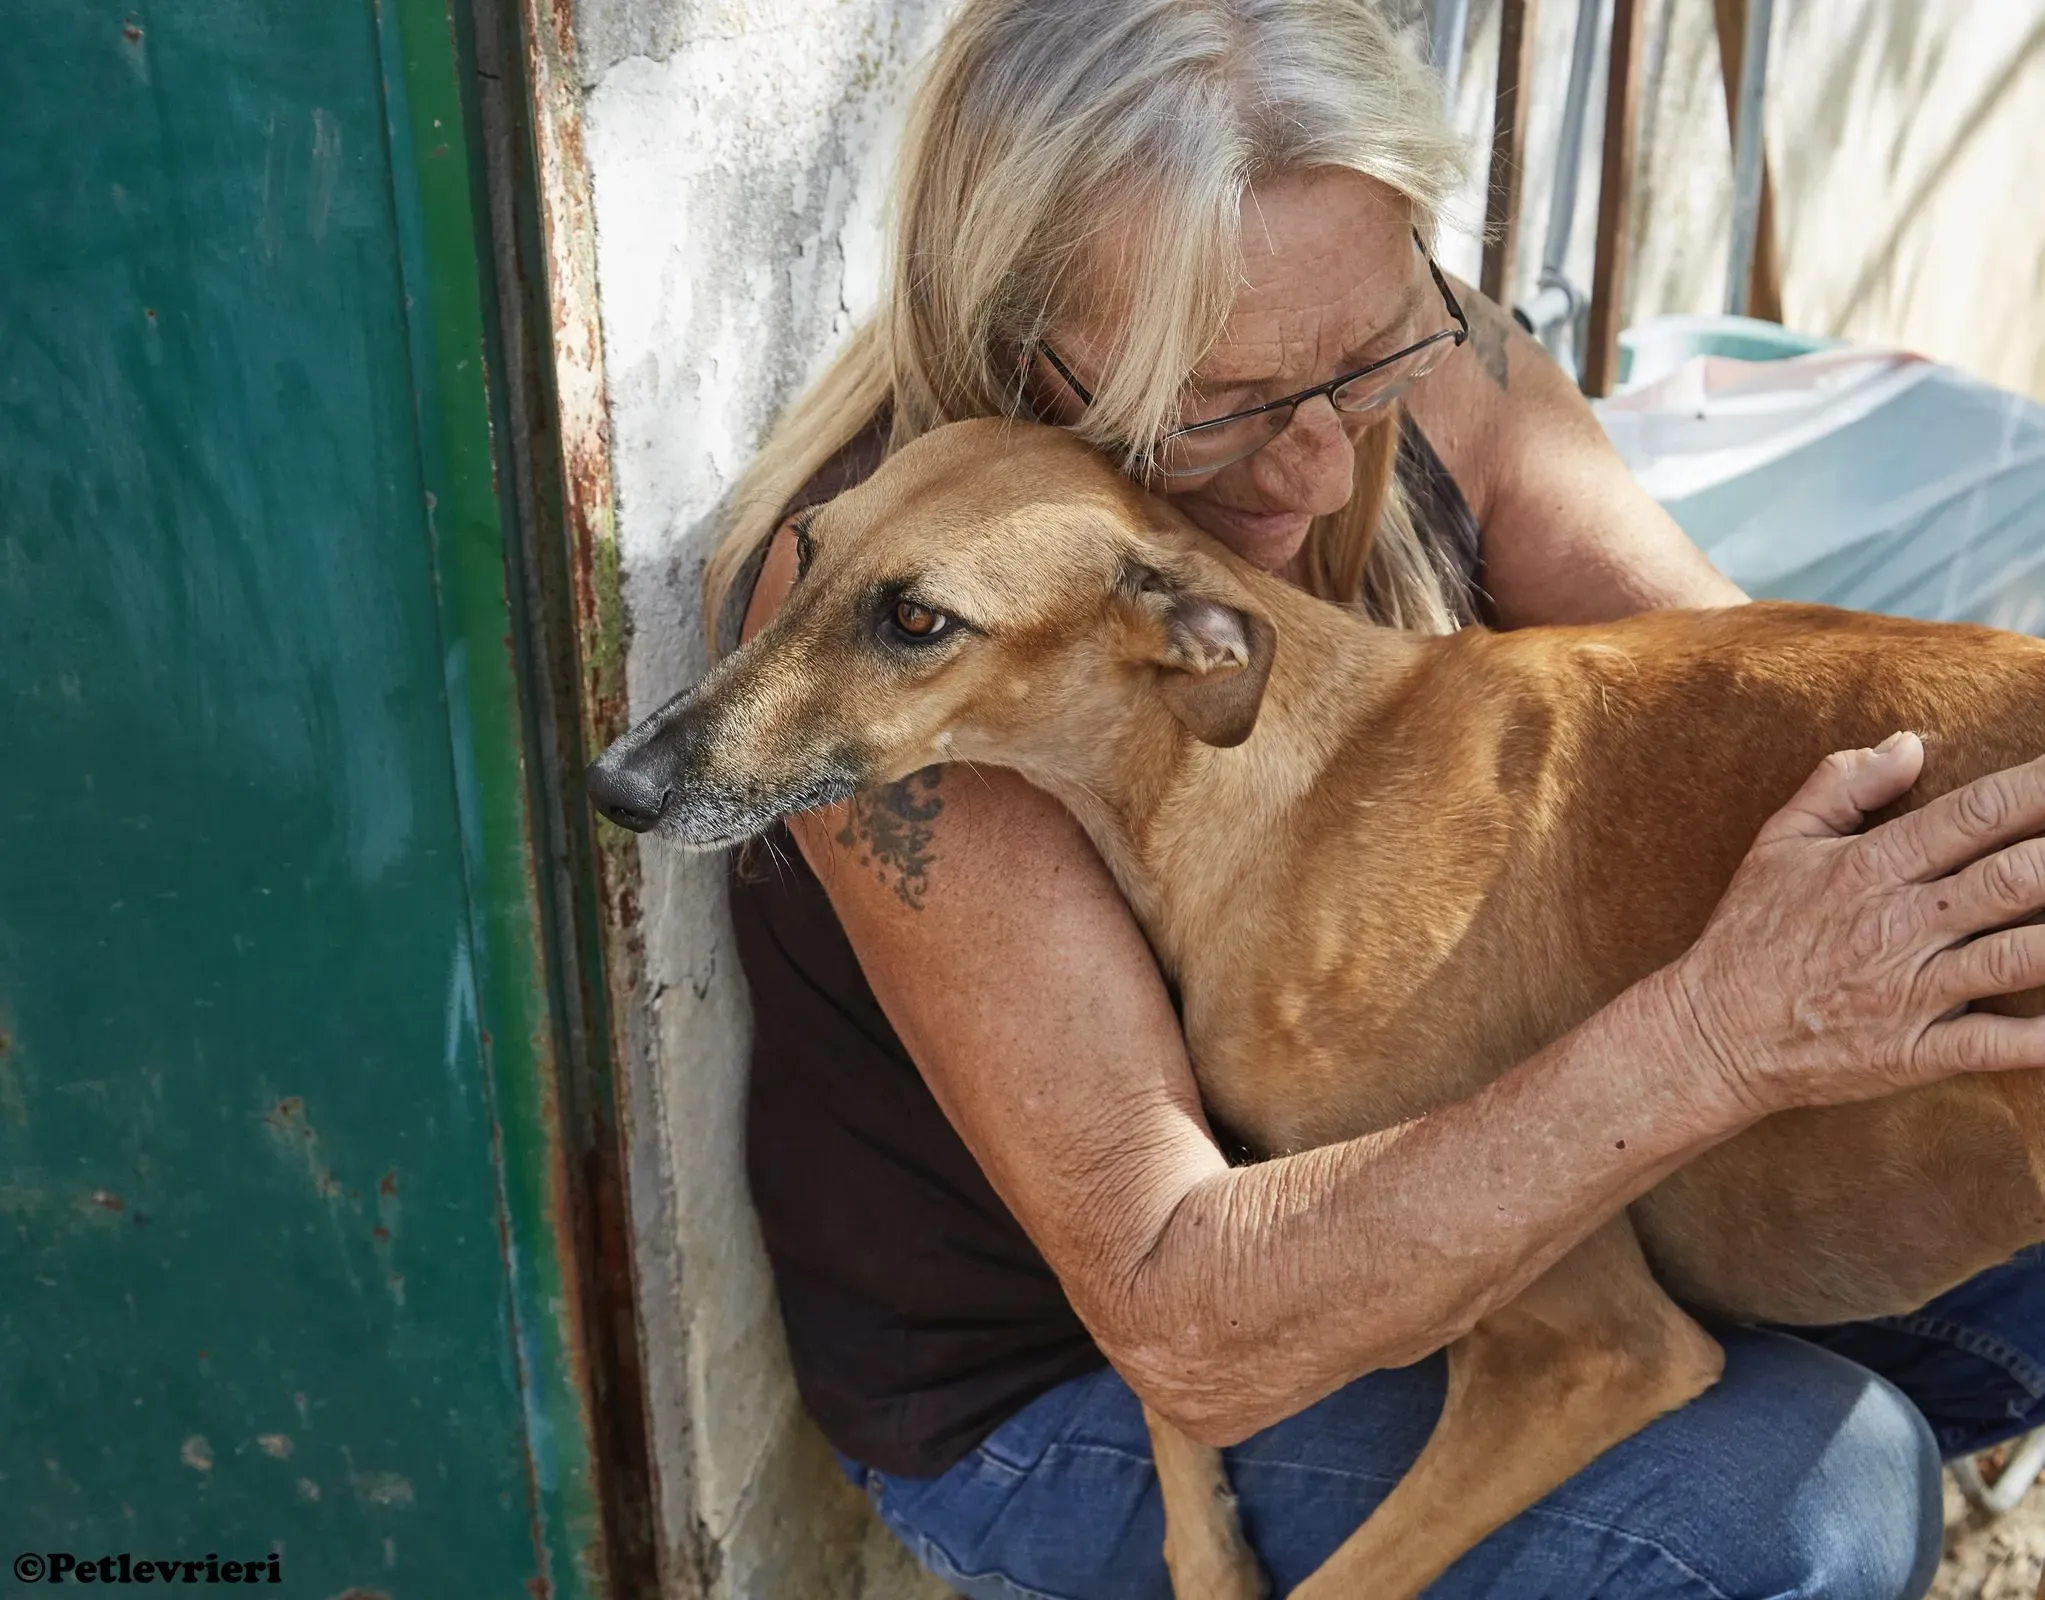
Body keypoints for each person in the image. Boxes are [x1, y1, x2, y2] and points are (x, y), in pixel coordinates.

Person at [703, 2, 2045, 1595]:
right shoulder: (908, 620)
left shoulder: (1400, 337)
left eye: (1372, 358)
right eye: (1218, 406)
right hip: (1078, 1383)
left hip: (1485, 1200)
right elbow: (1190, 1325)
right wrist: (1712, 1036)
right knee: (1801, 1499)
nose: (1322, 471)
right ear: (1017, 336)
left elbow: (1755, 724)